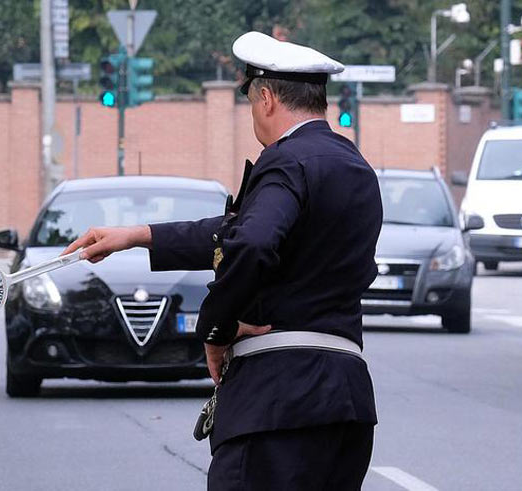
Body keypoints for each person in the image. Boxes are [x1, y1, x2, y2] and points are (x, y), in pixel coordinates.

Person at [62, 31, 382, 491]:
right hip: (345, 404)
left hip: (277, 402)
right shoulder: (355, 167)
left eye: (252, 101)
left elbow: (251, 241)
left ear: (267, 98)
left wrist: (217, 326)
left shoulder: (286, 162)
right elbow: (244, 231)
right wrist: (137, 236)